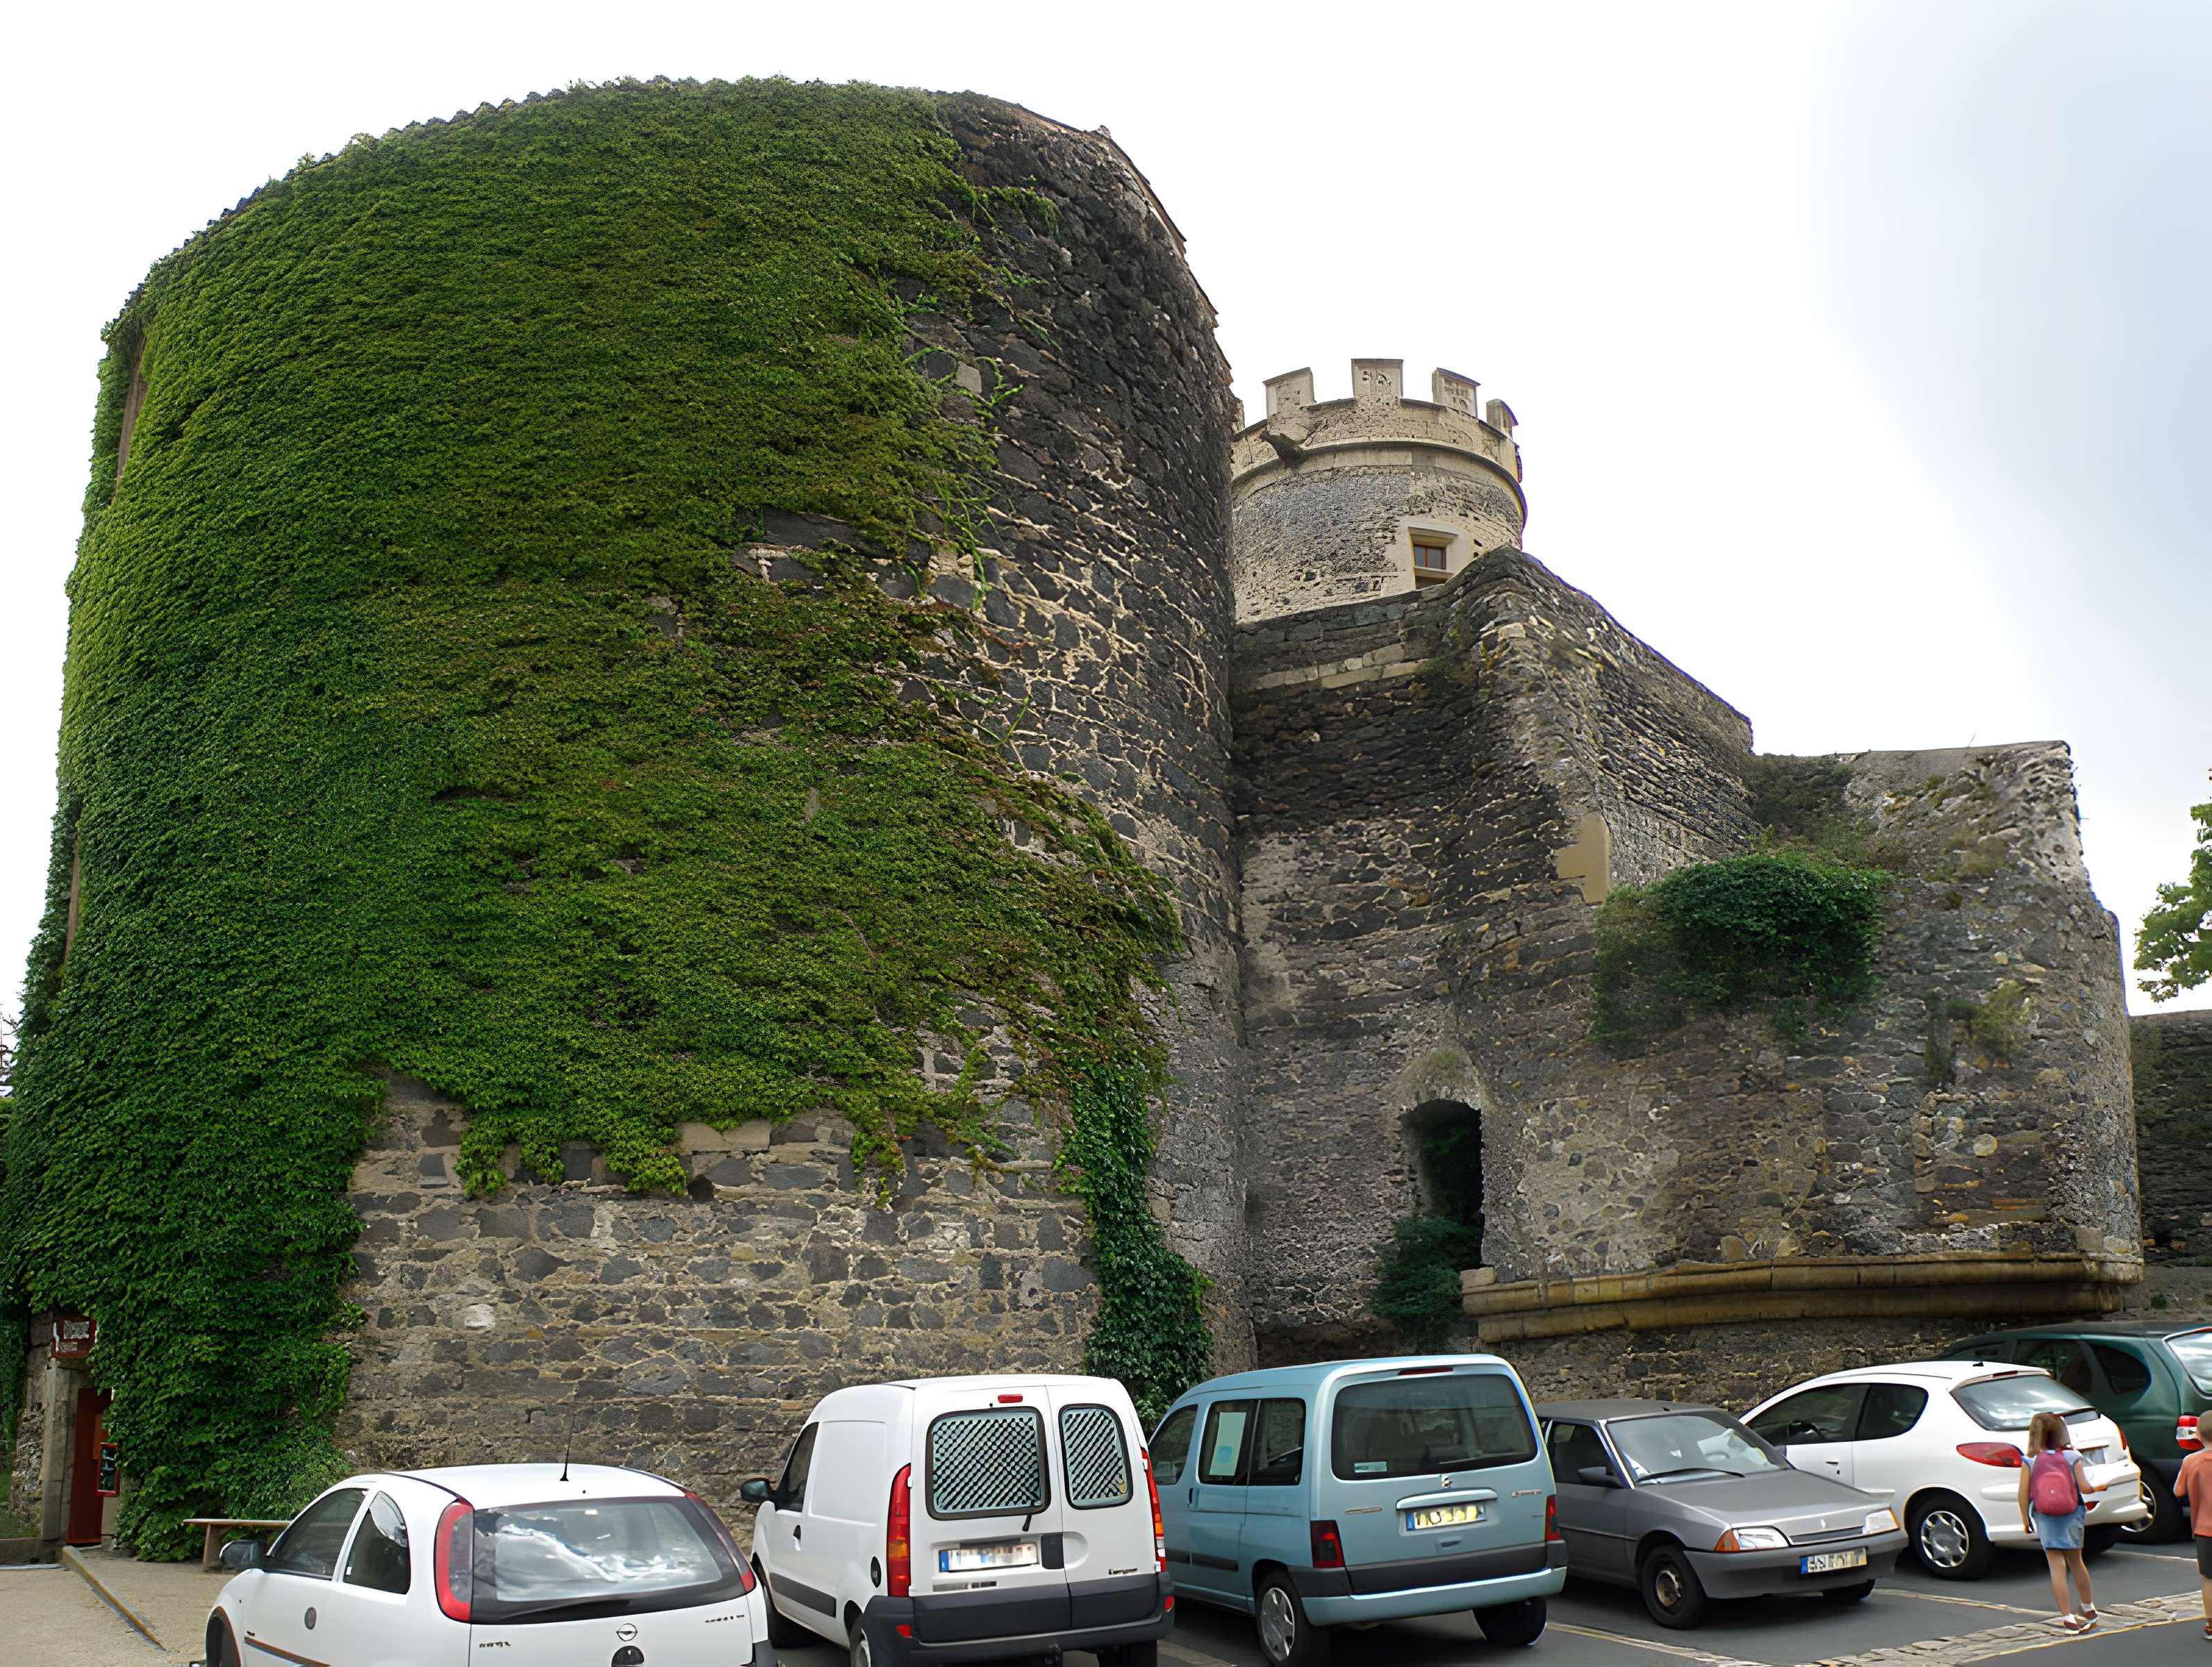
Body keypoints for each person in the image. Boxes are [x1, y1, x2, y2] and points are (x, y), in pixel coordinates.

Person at [2017, 1410, 2103, 1632]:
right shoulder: (2073, 1457)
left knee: (2056, 1567)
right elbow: (2084, 1487)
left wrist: (2025, 1519)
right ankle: (2089, 1607)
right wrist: (2100, 1487)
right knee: (2077, 1562)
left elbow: (2023, 1494)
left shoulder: (2031, 1461)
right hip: (2071, 1513)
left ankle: (2067, 1617)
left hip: (2044, 1515)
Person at [2174, 1434, 2212, 1639]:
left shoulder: (2191, 1461)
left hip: (2204, 1527)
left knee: (2208, 1577)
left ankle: (2211, 1623)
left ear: (2199, 1435)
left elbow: (2178, 1491)